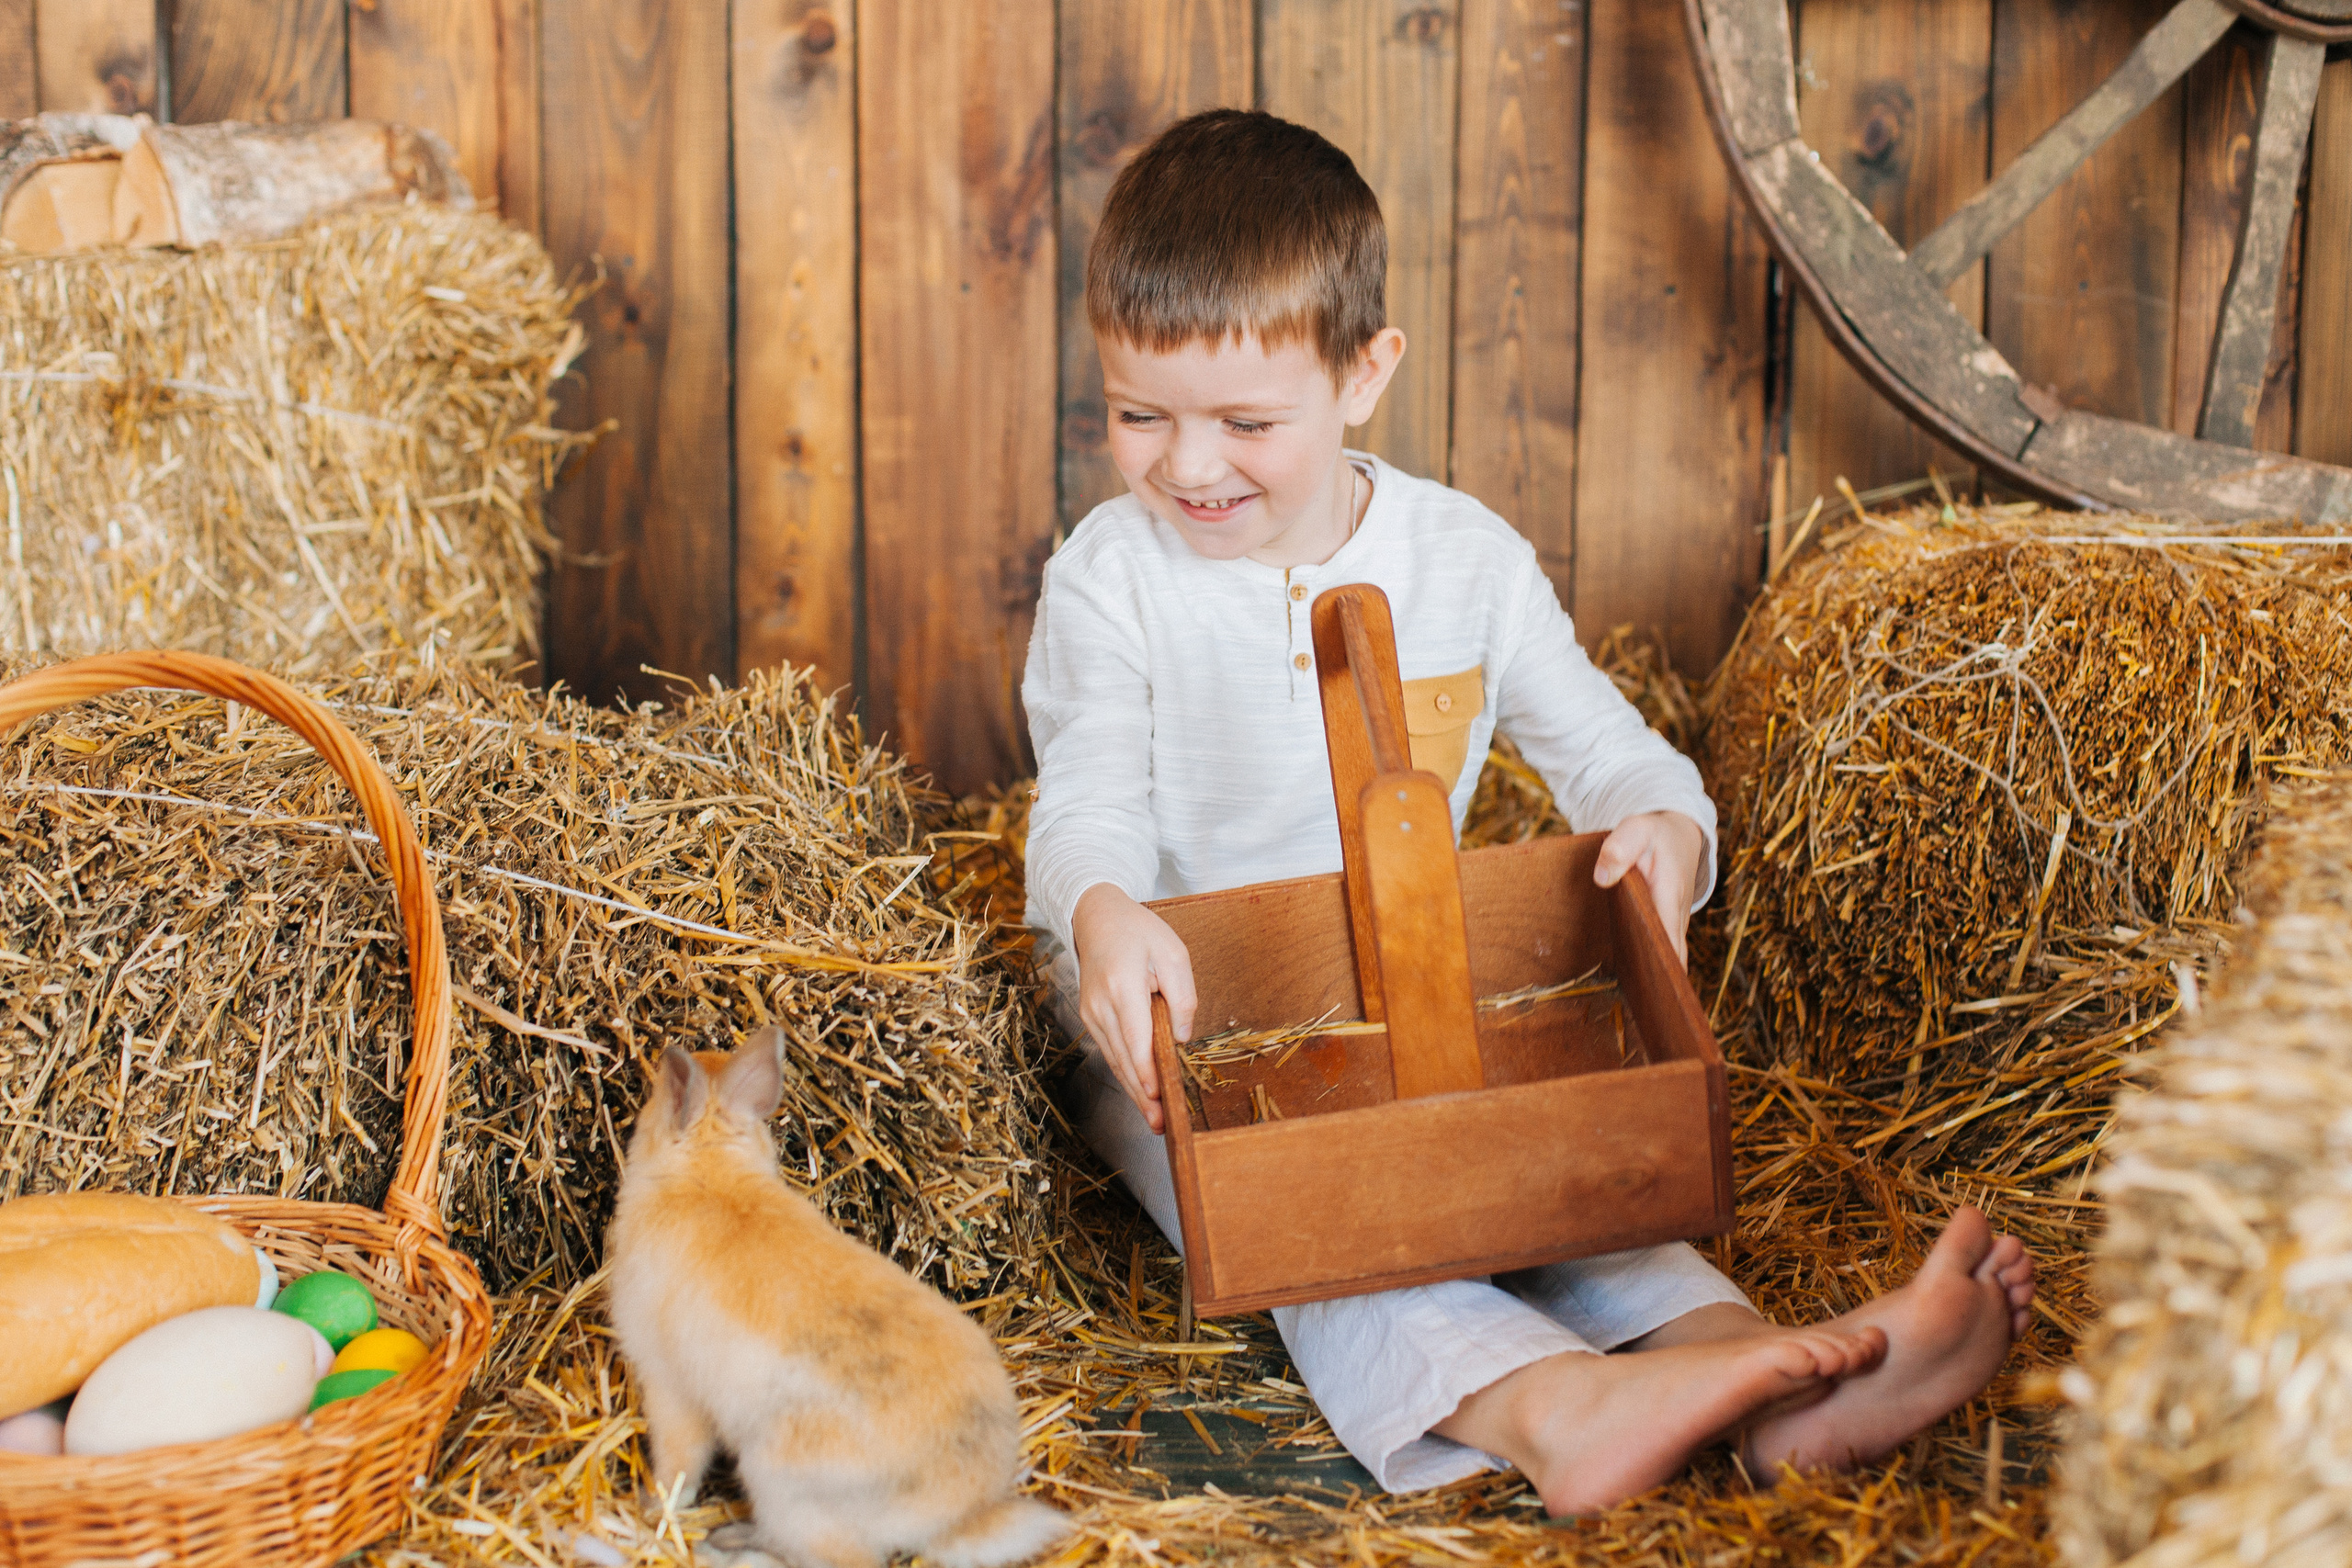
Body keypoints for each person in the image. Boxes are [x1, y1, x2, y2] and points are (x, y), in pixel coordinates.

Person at [1019, 107, 2034, 1516]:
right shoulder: (1112, 579)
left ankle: (1767, 1380)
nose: (1189, 468)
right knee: (1333, 1233)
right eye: (1141, 415)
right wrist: (1102, 911)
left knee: (1552, 1181)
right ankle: (1556, 1408)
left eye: (1247, 423)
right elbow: (1085, 797)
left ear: (1365, 375)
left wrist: (1666, 838)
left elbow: (1624, 766)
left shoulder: (1467, 562)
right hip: (1190, 1039)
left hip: (1415, 992)